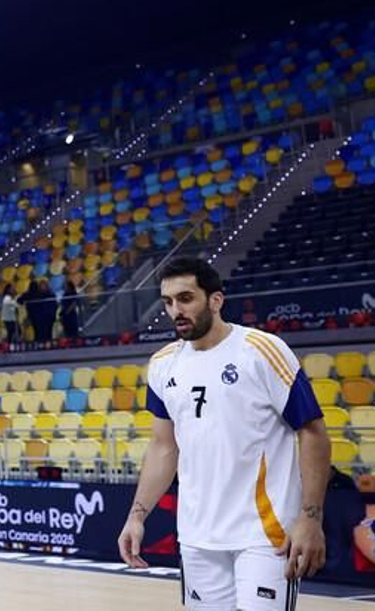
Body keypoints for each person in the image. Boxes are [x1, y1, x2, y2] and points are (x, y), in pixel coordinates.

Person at [118, 257, 329, 608]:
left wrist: (310, 518)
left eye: (186, 298)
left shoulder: (263, 350)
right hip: (197, 536)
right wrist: (136, 516)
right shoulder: (162, 365)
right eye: (168, 302)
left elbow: (313, 432)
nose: (175, 310)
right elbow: (163, 447)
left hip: (264, 535)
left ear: (215, 300)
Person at [24, 278, 55, 343]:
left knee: (48, 332)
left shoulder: (51, 294)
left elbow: (54, 305)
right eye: (41, 285)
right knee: (38, 332)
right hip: (38, 317)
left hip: (49, 316)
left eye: (43, 285)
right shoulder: (37, 295)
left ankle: (48, 344)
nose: (42, 287)